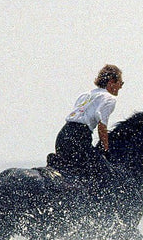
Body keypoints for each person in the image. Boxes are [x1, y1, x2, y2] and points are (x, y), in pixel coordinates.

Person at [51, 64, 124, 215]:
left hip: (63, 135)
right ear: (111, 81)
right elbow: (102, 126)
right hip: (79, 137)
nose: (121, 87)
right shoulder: (109, 99)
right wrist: (106, 148)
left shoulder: (85, 95)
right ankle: (94, 209)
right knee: (105, 171)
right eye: (120, 83)